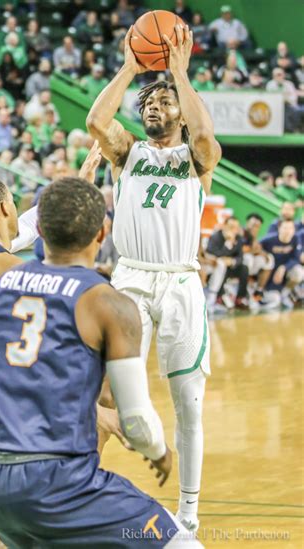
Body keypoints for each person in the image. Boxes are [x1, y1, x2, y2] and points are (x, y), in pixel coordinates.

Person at [0, 176, 203, 549]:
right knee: (182, 543)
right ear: (101, 235)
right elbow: (135, 419)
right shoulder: (106, 305)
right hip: (53, 478)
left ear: (42, 232)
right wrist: (158, 451)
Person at [86, 24, 222, 531]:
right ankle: (77, 490)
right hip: (131, 280)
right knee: (104, 393)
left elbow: (205, 135)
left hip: (181, 282)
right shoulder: (129, 153)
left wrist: (179, 75)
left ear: (181, 114)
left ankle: (188, 513)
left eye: (163, 102)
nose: (152, 107)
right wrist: (130, 68)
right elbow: (98, 120)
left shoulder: (195, 159)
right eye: (148, 102)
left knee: (188, 405)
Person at [205, 216, 249, 311]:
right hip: (215, 267)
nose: (233, 229)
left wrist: (232, 261)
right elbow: (213, 253)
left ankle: (240, 298)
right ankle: (217, 297)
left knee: (244, 268)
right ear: (224, 226)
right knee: (221, 265)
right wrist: (228, 244)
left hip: (230, 266)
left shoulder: (238, 238)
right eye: (231, 226)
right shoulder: (215, 237)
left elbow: (240, 257)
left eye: (236, 227)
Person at [261, 219, 303, 308]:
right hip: (268, 274)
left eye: (290, 228)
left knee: (299, 272)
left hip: (284, 274)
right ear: (279, 228)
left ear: (294, 230)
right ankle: (257, 291)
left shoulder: (296, 239)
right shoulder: (268, 240)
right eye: (285, 228)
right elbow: (256, 248)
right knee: (273, 299)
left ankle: (285, 294)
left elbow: (296, 259)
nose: (287, 231)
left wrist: (283, 268)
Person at [241, 213, 274, 304]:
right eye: (253, 225)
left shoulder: (253, 236)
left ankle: (258, 291)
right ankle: (243, 291)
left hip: (247, 267)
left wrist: (261, 252)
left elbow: (257, 248)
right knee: (249, 258)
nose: (254, 228)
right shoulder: (240, 232)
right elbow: (241, 251)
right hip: (234, 264)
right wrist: (257, 252)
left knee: (269, 258)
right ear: (247, 223)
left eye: (257, 226)